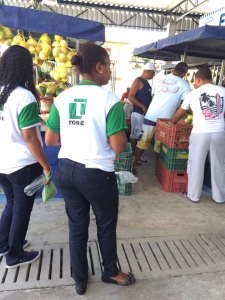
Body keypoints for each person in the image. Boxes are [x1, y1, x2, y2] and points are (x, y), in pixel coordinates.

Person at [45, 43, 136, 295]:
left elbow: (51, 140)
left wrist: (77, 136)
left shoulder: (62, 97)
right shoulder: (109, 100)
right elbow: (118, 147)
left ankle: (79, 278)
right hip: (96, 174)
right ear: (98, 67)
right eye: (108, 66)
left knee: (77, 225)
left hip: (66, 171)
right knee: (105, 225)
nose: (109, 72)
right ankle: (110, 272)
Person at [0, 46, 51, 268]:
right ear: (27, 67)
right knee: (21, 210)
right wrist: (46, 165)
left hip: (3, 162)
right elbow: (30, 137)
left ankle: (4, 244)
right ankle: (15, 255)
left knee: (11, 203)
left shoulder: (2, 92)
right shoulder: (24, 96)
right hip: (23, 165)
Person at [171, 67, 225, 203]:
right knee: (219, 165)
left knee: (196, 164)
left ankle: (193, 195)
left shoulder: (193, 93)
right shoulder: (223, 91)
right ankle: (219, 197)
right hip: (219, 132)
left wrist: (171, 123)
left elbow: (180, 113)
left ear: (198, 79)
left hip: (200, 133)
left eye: (195, 82)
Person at [133, 62, 191, 172]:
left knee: (143, 140)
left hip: (151, 115)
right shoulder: (185, 85)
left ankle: (135, 163)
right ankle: (157, 169)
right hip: (166, 120)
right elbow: (185, 105)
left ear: (174, 69)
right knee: (160, 145)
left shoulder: (160, 79)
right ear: (184, 73)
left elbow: (154, 95)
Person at [128, 62, 156, 158]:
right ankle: (133, 154)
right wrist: (142, 106)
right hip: (138, 112)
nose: (153, 75)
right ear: (147, 71)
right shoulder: (138, 81)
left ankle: (137, 155)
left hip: (145, 113)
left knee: (140, 134)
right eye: (153, 73)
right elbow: (130, 97)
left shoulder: (146, 82)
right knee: (135, 134)